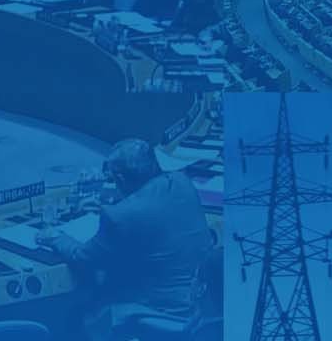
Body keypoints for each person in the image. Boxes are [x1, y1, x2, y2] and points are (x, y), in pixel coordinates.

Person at [42, 139, 213, 340]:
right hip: (200, 304)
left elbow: (84, 257)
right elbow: (152, 206)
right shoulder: (182, 182)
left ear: (120, 178)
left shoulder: (119, 217)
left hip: (158, 310)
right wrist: (112, 204)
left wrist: (55, 237)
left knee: (79, 313)